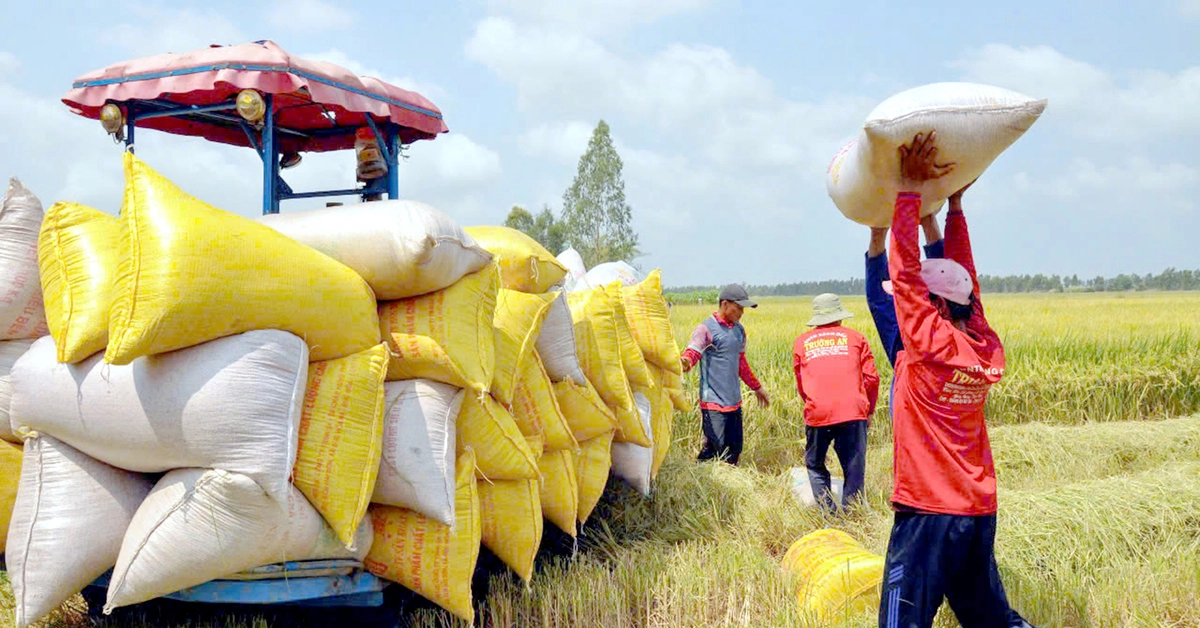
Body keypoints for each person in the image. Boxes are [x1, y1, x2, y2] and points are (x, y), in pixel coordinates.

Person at [879, 131, 1035, 628]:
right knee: (990, 619)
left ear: (937, 306)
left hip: (926, 511)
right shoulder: (983, 346)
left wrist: (908, 193)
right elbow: (966, 279)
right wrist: (953, 210)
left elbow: (903, 277)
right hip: (975, 509)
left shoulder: (927, 345)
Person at [792, 293, 880, 510]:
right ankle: (853, 514)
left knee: (814, 464)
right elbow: (872, 378)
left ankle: (828, 514)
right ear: (840, 317)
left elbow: (801, 384)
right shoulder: (856, 338)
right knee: (853, 468)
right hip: (853, 411)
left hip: (818, 412)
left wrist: (814, 403)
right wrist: (867, 410)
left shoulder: (801, 342)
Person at [680, 284, 771, 465]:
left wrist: (757, 387)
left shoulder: (739, 330)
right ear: (724, 304)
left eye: (743, 309)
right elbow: (693, 352)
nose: (741, 313)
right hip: (712, 402)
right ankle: (700, 478)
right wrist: (685, 362)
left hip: (733, 401)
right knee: (716, 447)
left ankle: (730, 485)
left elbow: (741, 363)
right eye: (738, 308)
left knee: (735, 448)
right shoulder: (705, 329)